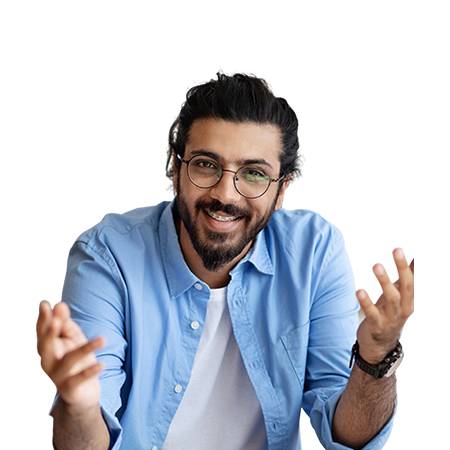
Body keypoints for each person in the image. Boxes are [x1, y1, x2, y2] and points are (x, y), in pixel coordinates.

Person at [36, 74, 414, 450]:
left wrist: (374, 359)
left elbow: (342, 438)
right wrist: (80, 405)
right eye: (206, 165)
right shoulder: (108, 256)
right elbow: (86, 441)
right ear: (175, 168)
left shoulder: (313, 252)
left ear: (282, 189)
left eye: (254, 174)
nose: (225, 195)